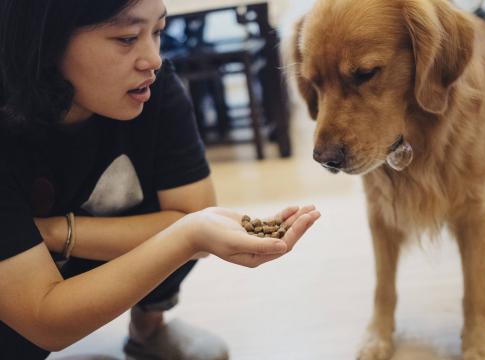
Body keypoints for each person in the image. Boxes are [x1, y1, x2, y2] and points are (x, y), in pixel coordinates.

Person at [0, 0, 320, 359]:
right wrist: (186, 233)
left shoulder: (154, 87)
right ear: (46, 39)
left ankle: (149, 330)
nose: (152, 59)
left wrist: (52, 232)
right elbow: (43, 319)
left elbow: (192, 212)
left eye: (158, 32)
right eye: (126, 38)